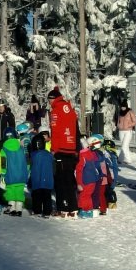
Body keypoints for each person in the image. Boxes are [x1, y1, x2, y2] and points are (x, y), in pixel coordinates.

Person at [48, 86, 80, 218]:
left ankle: (63, 208)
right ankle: (73, 208)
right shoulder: (69, 108)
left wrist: (53, 149)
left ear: (53, 99)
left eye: (49, 100)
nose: (49, 103)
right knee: (70, 179)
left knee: (61, 181)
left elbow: (55, 131)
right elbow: (75, 128)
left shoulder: (55, 111)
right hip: (72, 149)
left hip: (61, 149)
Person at [75, 135, 106, 219]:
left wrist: (79, 183)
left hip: (86, 180)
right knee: (88, 195)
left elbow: (79, 170)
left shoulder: (83, 156)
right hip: (93, 179)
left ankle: (85, 210)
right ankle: (89, 210)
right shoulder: (91, 154)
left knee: (84, 196)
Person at [0, 128, 29, 216]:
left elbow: (3, 163)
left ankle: (12, 208)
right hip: (21, 174)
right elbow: (26, 161)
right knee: (19, 191)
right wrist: (27, 171)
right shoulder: (21, 147)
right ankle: (19, 209)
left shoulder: (4, 148)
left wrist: (3, 174)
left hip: (10, 174)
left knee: (11, 191)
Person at [28, 133, 54, 217]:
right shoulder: (49, 154)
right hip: (48, 179)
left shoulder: (33, 155)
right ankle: (47, 212)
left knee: (36, 196)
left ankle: (37, 211)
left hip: (36, 179)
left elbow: (30, 166)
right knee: (47, 197)